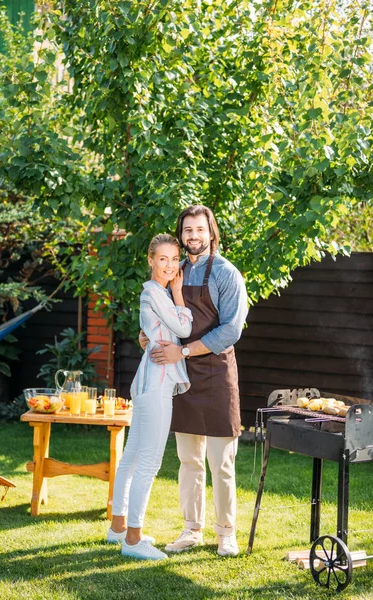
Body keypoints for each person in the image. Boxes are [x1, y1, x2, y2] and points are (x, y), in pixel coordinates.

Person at [147, 205, 248, 557]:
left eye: (199, 230)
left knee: (221, 462)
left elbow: (231, 330)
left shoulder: (226, 273)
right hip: (181, 377)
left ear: (211, 233)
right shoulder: (172, 271)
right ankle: (192, 529)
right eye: (187, 230)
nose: (193, 236)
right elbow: (164, 317)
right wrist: (149, 338)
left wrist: (185, 352)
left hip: (217, 373)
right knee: (189, 459)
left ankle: (226, 533)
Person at [106, 234, 193, 561]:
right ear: (151, 260)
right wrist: (179, 293)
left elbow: (160, 333)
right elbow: (183, 328)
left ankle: (117, 528)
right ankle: (134, 538)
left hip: (147, 382)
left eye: (174, 259)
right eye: (163, 259)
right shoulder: (158, 293)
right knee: (148, 462)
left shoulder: (155, 294)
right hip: (155, 385)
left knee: (131, 457)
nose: (170, 265)